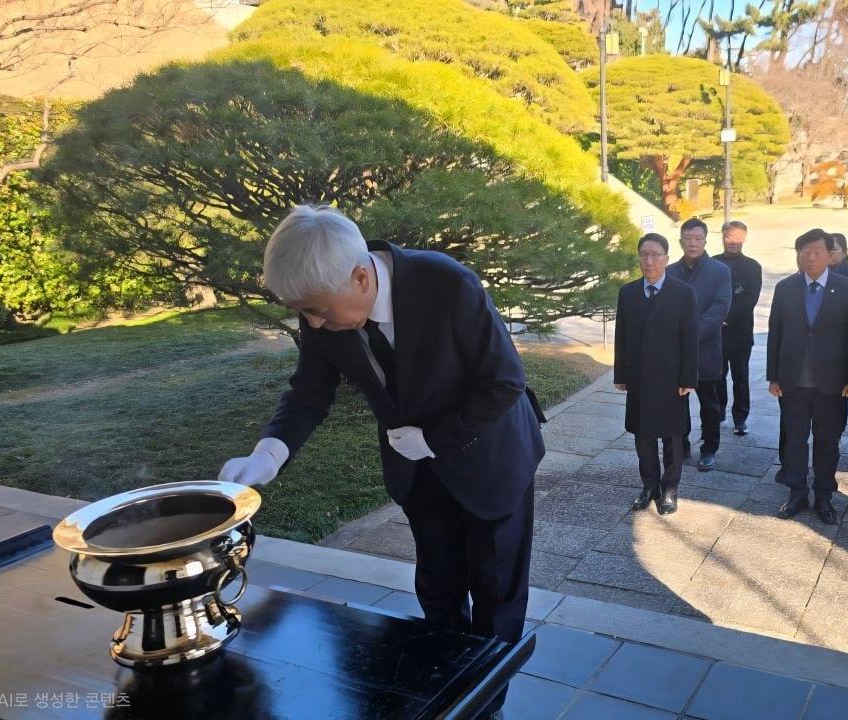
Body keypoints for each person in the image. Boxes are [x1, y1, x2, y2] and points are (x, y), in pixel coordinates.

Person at [217, 205, 544, 717]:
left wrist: (433, 438)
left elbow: (504, 382)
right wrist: (268, 453)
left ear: (361, 277)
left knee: (496, 593)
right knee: (438, 588)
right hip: (417, 472)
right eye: (305, 312)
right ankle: (448, 696)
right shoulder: (325, 301)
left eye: (318, 311)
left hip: (491, 458)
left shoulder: (447, 284)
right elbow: (309, 391)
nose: (313, 323)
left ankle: (486, 705)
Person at [767, 230, 848, 524]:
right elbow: (775, 333)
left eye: (817, 251)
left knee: (827, 442)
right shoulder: (786, 288)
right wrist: (773, 377)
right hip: (793, 381)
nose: (810, 257)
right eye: (804, 251)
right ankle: (797, 493)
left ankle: (824, 495)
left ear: (830, 255)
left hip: (832, 383)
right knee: (794, 441)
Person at [614, 233, 699, 516]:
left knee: (672, 435)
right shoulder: (628, 292)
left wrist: (688, 378)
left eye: (655, 255)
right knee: (643, 434)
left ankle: (670, 489)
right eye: (644, 255)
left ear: (666, 258)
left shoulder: (683, 293)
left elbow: (690, 338)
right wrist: (621, 373)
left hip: (671, 378)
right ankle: (649, 485)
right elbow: (621, 335)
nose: (649, 261)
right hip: (639, 376)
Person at [667, 217, 733, 471]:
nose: (692, 243)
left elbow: (720, 308)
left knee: (710, 404)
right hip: (676, 351)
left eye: (698, 238)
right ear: (680, 241)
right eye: (688, 238)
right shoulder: (670, 272)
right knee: (677, 402)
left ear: (705, 241)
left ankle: (709, 448)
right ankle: (681, 445)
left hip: (706, 348)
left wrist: (690, 334)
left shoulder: (720, 271)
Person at [714, 221, 762, 436]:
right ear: (722, 236)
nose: (733, 242)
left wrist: (727, 318)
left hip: (741, 331)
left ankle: (740, 418)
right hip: (716, 332)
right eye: (729, 236)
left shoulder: (752, 266)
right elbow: (706, 294)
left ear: (744, 238)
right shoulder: (712, 263)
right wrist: (716, 318)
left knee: (740, 377)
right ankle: (718, 413)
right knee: (717, 376)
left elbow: (750, 298)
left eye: (737, 237)